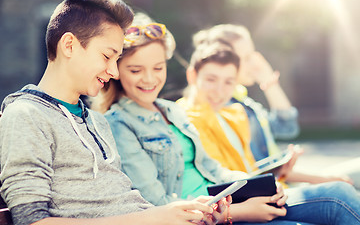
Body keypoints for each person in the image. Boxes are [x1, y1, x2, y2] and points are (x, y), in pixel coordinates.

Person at [94, 12, 360, 224]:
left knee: (341, 194)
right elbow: (159, 204)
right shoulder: (119, 123)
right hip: (210, 214)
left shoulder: (170, 110)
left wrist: (263, 187)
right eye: (136, 70)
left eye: (158, 67)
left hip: (229, 199)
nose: (150, 79)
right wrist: (238, 212)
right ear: (117, 70)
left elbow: (214, 169)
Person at [0, 0, 225, 225]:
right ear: (69, 45)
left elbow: (124, 205)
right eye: (107, 56)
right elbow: (31, 221)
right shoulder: (26, 115)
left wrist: (184, 214)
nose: (114, 72)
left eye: (116, 60)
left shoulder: (97, 122)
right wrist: (155, 218)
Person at [177, 41, 360, 224]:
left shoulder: (234, 113)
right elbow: (216, 179)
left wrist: (277, 172)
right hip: (235, 204)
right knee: (338, 196)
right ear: (193, 76)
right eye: (211, 80)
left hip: (261, 193)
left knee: (340, 192)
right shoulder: (185, 121)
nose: (219, 90)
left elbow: (250, 166)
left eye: (228, 82)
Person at [189, 24, 352, 186]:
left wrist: (269, 81)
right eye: (247, 58)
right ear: (226, 58)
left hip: (282, 185)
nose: (255, 62)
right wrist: (320, 180)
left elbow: (286, 126)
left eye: (253, 54)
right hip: (277, 189)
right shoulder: (224, 107)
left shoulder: (241, 101)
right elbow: (257, 169)